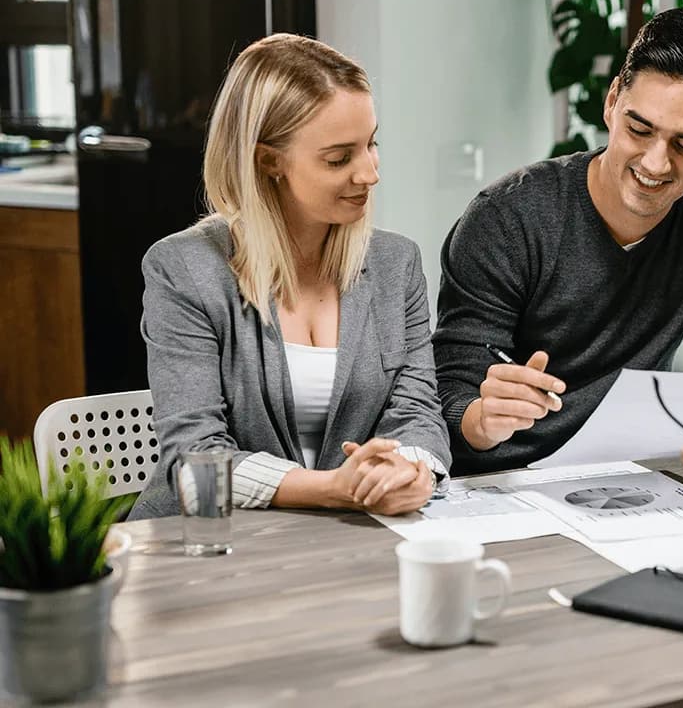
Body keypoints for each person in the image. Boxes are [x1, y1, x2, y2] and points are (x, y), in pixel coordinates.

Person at [433, 7, 683, 475]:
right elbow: (451, 385)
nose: (656, 163)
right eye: (640, 129)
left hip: (629, 478)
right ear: (612, 101)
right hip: (502, 482)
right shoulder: (506, 218)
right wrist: (480, 419)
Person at [130, 34, 450, 520]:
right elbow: (193, 460)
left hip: (345, 540)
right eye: (339, 158)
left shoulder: (395, 263)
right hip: (209, 547)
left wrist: (407, 471)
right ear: (268, 161)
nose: (369, 174)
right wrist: (333, 488)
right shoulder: (183, 270)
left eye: (372, 144)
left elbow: (418, 412)